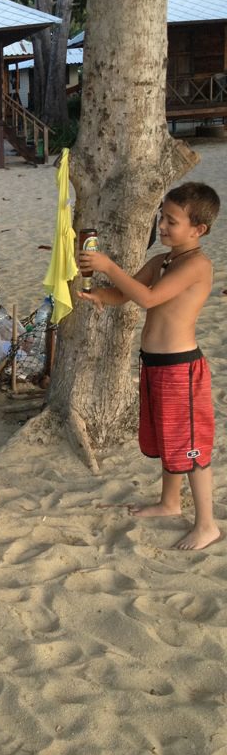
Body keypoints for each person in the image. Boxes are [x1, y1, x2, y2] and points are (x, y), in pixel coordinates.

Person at [78, 182, 221, 551]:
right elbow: (124, 293)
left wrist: (108, 264)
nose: (162, 226)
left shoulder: (197, 265)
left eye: (171, 221)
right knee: (167, 439)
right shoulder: (163, 261)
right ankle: (170, 502)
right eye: (162, 218)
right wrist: (97, 294)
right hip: (155, 365)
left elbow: (149, 298)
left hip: (180, 368)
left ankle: (207, 524)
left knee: (191, 447)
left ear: (198, 229)